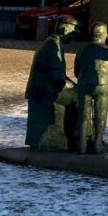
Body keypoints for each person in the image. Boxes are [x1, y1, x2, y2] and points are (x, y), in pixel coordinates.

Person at [24, 16, 78, 150]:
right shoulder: (53, 46)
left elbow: (59, 74)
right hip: (44, 92)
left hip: (44, 88)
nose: (75, 35)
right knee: (80, 98)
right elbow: (57, 78)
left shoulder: (54, 43)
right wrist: (74, 89)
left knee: (77, 94)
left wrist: (74, 85)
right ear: (65, 29)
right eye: (74, 31)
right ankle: (76, 139)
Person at [74, 21, 108, 154]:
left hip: (84, 83)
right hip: (102, 85)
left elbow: (77, 70)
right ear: (105, 35)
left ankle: (82, 145)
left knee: (83, 116)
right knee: (100, 115)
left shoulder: (82, 50)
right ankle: (98, 144)